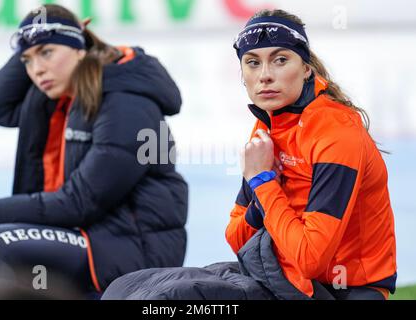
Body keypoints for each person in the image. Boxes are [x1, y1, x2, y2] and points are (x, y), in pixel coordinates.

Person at [102, 9, 397, 300]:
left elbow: (311, 259)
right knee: (124, 288)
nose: (265, 75)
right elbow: (237, 236)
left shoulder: (336, 134)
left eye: (280, 60)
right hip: (277, 273)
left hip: (340, 290)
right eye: (253, 63)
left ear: (307, 68)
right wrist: (262, 197)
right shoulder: (270, 124)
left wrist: (263, 182)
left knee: (163, 301)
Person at [0, 4, 188, 298]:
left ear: (79, 48)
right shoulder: (56, 98)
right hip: (83, 233)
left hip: (132, 250)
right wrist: (31, 42)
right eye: (27, 61)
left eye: (47, 53)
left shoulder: (128, 104)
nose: (37, 70)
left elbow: (80, 202)